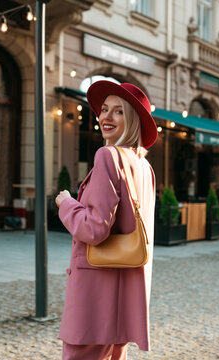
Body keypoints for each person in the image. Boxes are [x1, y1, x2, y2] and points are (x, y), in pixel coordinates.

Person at [55, 80, 157, 360]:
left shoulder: (107, 156)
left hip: (95, 296)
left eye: (118, 111)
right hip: (125, 297)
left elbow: (93, 229)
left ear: (133, 119)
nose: (105, 117)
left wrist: (66, 204)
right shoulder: (144, 167)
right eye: (103, 110)